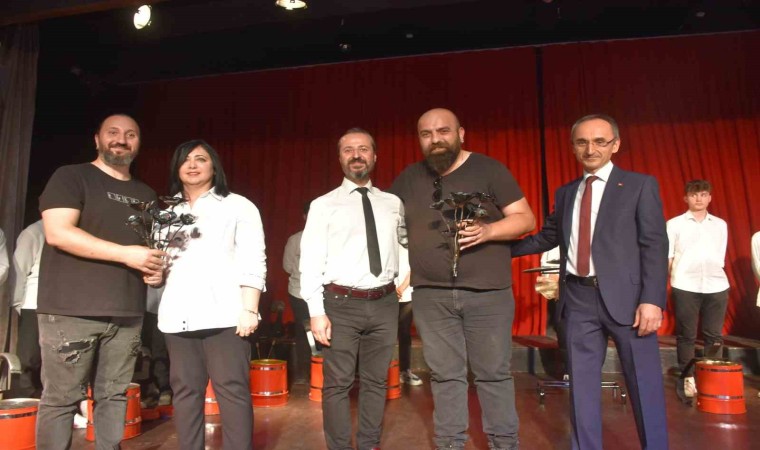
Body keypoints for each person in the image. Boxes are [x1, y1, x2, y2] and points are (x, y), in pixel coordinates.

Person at [512, 113, 669, 450]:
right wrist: (495, 247)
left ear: (616, 144)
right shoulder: (567, 192)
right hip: (578, 300)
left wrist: (652, 300)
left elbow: (654, 245)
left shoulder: (640, 185)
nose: (590, 149)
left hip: (630, 303)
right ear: (572, 147)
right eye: (582, 142)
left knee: (644, 385)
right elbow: (547, 237)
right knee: (581, 389)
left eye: (600, 141)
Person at [390, 108, 535, 450]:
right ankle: (449, 444)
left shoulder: (489, 169)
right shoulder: (409, 178)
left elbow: (525, 219)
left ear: (461, 133)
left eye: (443, 131)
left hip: (487, 294)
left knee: (493, 374)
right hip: (431, 296)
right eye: (426, 134)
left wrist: (489, 231)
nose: (435, 139)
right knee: (444, 376)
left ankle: (504, 444)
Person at [35, 113, 166, 450]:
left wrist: (154, 271)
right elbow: (58, 233)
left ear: (138, 144)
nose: (121, 139)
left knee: (115, 395)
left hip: (127, 312)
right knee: (62, 399)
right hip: (71, 311)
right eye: (113, 132)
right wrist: (126, 255)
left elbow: (146, 252)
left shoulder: (146, 194)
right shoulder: (71, 176)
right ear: (97, 139)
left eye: (131, 134)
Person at [157, 139, 266, 450]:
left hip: (226, 315)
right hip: (177, 316)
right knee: (185, 393)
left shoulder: (238, 205)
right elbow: (161, 263)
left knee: (232, 391)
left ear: (214, 167)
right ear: (176, 168)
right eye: (185, 159)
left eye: (201, 159)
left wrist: (249, 309)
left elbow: (254, 259)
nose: (192, 165)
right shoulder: (166, 213)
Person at [300, 128, 404, 450]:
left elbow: (403, 245)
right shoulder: (323, 205)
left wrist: (405, 282)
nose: (356, 155)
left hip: (385, 302)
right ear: (340, 158)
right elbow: (310, 260)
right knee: (337, 384)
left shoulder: (393, 203)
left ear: (374, 156)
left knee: (376, 382)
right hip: (340, 305)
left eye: (363, 149)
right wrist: (316, 312)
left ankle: (369, 444)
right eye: (348, 150)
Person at [667, 179, 730, 397]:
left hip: (716, 284)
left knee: (714, 335)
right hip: (685, 285)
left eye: (703, 194)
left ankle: (712, 378)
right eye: (694, 195)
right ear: (686, 198)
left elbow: (720, 255)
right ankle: (688, 378)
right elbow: (669, 256)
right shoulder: (674, 224)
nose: (699, 199)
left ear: (710, 197)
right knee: (686, 334)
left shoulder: (720, 224)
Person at [9, 220, 45, 399]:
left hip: (63, 304)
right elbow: (19, 270)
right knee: (29, 357)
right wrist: (17, 303)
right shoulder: (34, 232)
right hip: (33, 303)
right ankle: (24, 399)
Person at [283, 201, 315, 383]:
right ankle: (304, 372)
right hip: (299, 293)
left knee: (324, 332)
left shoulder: (330, 239)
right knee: (304, 333)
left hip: (324, 294)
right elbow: (287, 266)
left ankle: (321, 373)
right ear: (304, 217)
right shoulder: (295, 240)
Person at [395, 245, 423, 385]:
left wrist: (401, 288)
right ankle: (385, 373)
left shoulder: (412, 245)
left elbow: (415, 268)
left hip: (406, 295)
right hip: (385, 294)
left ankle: (404, 371)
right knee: (383, 335)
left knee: (404, 334)